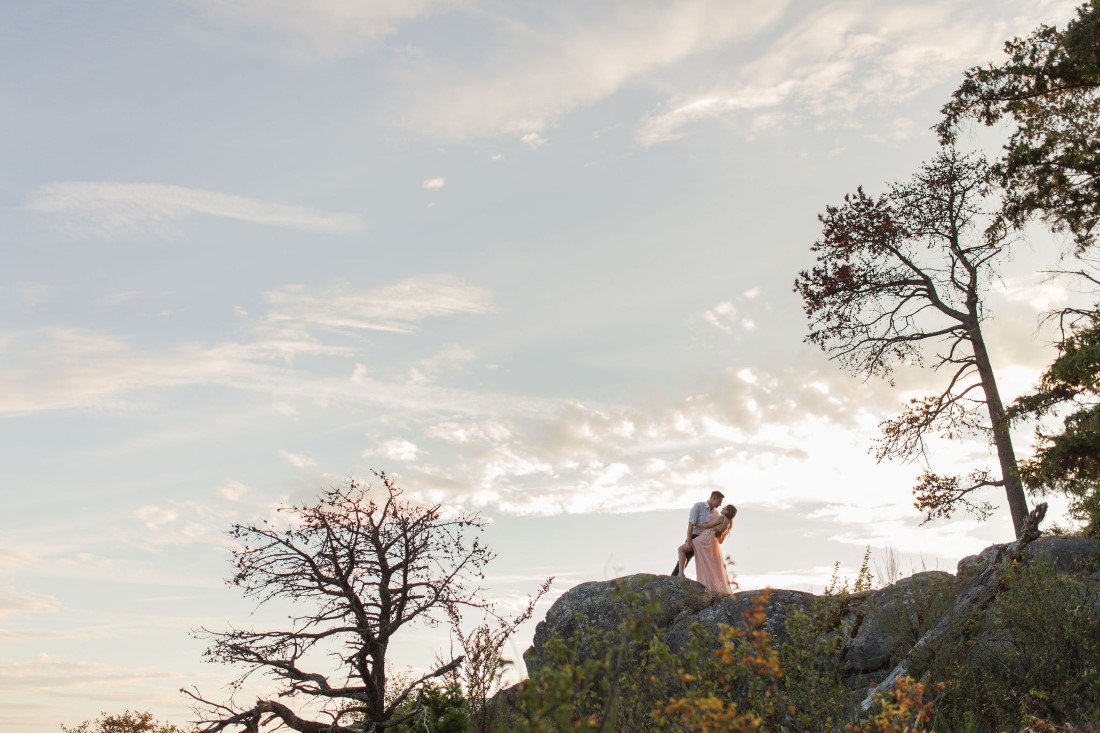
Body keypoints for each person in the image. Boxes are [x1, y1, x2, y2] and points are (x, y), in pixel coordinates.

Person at [672, 490, 724, 576]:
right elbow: (691, 524)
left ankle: (677, 576)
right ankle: (675, 577)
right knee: (685, 558)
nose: (720, 504)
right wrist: (688, 541)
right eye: (719, 502)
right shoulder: (699, 506)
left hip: (705, 540)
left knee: (706, 563)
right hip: (694, 536)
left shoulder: (716, 514)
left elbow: (715, 528)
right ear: (713, 498)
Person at [689, 504, 737, 594]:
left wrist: (695, 524)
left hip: (706, 540)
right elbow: (720, 541)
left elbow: (707, 525)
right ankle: (712, 588)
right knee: (710, 566)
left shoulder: (722, 517)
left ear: (727, 511)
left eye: (724, 508)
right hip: (713, 544)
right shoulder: (728, 524)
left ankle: (680, 573)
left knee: (702, 562)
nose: (722, 508)